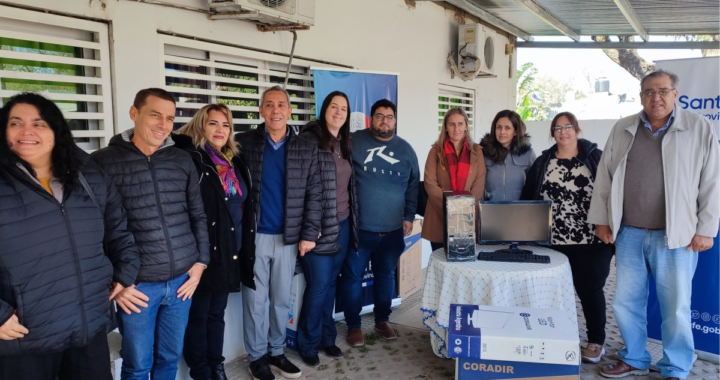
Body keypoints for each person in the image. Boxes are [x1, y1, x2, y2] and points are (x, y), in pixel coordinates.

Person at [588, 70, 720, 380]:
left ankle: (675, 367)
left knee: (675, 308)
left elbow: (711, 183)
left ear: (676, 94)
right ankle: (633, 357)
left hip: (677, 237)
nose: (655, 97)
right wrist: (603, 220)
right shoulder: (623, 128)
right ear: (641, 96)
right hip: (629, 233)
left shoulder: (699, 128)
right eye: (649, 92)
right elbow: (605, 178)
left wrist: (706, 229)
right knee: (625, 303)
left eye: (662, 91)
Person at [0, 93, 139, 380]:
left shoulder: (86, 174)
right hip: (24, 334)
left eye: (39, 123)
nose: (27, 131)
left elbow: (117, 228)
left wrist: (125, 272)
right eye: (16, 123)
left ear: (56, 131)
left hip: (87, 324)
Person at [91, 88, 210, 380]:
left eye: (169, 118)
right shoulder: (102, 163)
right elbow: (93, 230)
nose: (163, 124)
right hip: (137, 288)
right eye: (155, 115)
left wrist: (200, 264)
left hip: (182, 283)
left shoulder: (182, 160)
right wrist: (115, 283)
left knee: (169, 359)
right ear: (134, 114)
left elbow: (198, 215)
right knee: (137, 364)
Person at [235, 85, 321, 380]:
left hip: (289, 237)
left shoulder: (305, 147)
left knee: (282, 299)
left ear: (289, 111)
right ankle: (257, 357)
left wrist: (309, 233)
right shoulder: (243, 143)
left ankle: (276, 351)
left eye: (281, 105)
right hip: (255, 236)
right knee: (255, 300)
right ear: (260, 110)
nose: (275, 110)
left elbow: (314, 193)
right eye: (269, 105)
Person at [520, 112, 614, 364]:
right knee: (552, 292)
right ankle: (556, 336)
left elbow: (614, 192)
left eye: (568, 126)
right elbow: (529, 198)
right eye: (558, 128)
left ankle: (596, 341)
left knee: (590, 290)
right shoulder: (543, 161)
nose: (563, 132)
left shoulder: (595, 157)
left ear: (577, 130)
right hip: (553, 241)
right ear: (552, 133)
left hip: (591, 240)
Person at [174, 104, 253, 380]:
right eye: (213, 123)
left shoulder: (233, 160)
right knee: (199, 315)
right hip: (202, 252)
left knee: (216, 314)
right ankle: (201, 371)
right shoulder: (191, 158)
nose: (220, 129)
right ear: (200, 126)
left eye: (226, 124)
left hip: (231, 250)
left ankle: (216, 366)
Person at [340, 98, 420, 347]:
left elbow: (413, 187)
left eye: (389, 117)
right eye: (379, 116)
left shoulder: (406, 150)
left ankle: (382, 320)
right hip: (358, 230)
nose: (384, 121)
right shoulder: (353, 142)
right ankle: (353, 325)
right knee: (352, 279)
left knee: (385, 277)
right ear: (371, 119)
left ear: (395, 121)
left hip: (392, 231)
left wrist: (408, 216)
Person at [296, 91, 359, 366]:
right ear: (325, 109)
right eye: (334, 106)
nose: (338, 112)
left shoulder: (344, 143)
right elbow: (299, 188)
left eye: (343, 108)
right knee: (319, 285)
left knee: (330, 284)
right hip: (319, 227)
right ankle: (307, 343)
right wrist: (309, 228)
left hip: (343, 224)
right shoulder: (309, 140)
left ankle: (326, 338)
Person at [423, 107, 486, 252]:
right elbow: (430, 184)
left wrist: (463, 209)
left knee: (465, 264)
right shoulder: (435, 150)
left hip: (467, 217)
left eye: (460, 124)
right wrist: (451, 208)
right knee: (441, 262)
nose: (456, 128)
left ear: (466, 126)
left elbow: (479, 185)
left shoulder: (477, 151)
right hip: (440, 215)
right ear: (445, 127)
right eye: (451, 124)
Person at [479, 110, 535, 201]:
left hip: (519, 209)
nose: (502, 132)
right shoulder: (484, 152)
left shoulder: (527, 153)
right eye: (499, 127)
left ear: (515, 132)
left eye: (507, 128)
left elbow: (534, 184)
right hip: (491, 209)